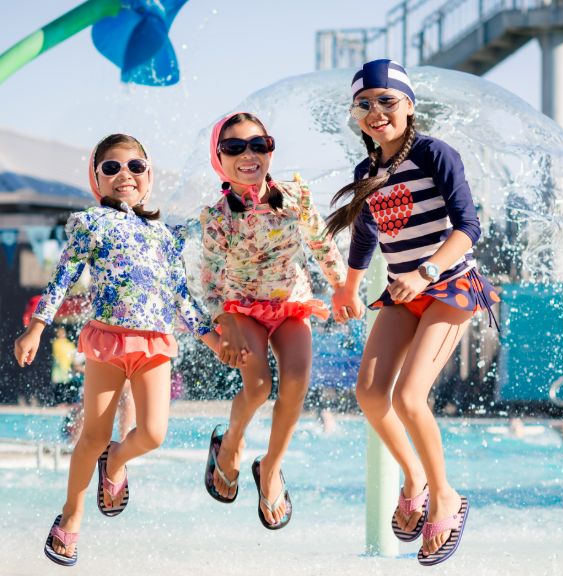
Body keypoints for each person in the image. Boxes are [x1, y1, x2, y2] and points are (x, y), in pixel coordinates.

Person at [14, 133, 220, 566]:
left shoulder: (165, 236)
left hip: (155, 343)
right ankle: (72, 513)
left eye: (135, 167)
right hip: (107, 339)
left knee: (153, 434)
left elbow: (181, 297)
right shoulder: (91, 222)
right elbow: (63, 277)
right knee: (92, 435)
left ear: (148, 177)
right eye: (111, 168)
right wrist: (36, 327)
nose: (124, 174)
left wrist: (213, 339)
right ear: (98, 180)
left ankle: (116, 463)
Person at [328, 60, 500, 566]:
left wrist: (425, 272)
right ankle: (414, 477)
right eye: (365, 104)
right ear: (355, 114)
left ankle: (445, 496)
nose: (376, 111)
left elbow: (469, 226)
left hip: (449, 288)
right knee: (369, 393)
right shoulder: (368, 173)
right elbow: (365, 234)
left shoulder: (436, 154)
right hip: (405, 294)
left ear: (409, 105)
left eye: (387, 100)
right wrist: (350, 288)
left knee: (408, 395)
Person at [201, 112, 347, 529]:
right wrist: (224, 325)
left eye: (258, 144)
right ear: (220, 158)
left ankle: (270, 469)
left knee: (298, 380)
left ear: (269, 150)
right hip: (243, 307)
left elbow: (320, 240)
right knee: (260, 386)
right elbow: (209, 283)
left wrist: (340, 287)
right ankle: (229, 446)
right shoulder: (217, 218)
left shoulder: (294, 195)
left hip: (290, 303)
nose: (248, 154)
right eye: (234, 147)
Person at [51, 326, 77, 406]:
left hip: (67, 368)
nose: (61, 334)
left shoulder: (69, 344)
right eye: (59, 332)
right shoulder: (56, 343)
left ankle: (67, 403)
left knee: (68, 385)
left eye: (62, 332)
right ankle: (59, 403)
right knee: (59, 386)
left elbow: (73, 356)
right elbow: (57, 354)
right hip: (59, 368)